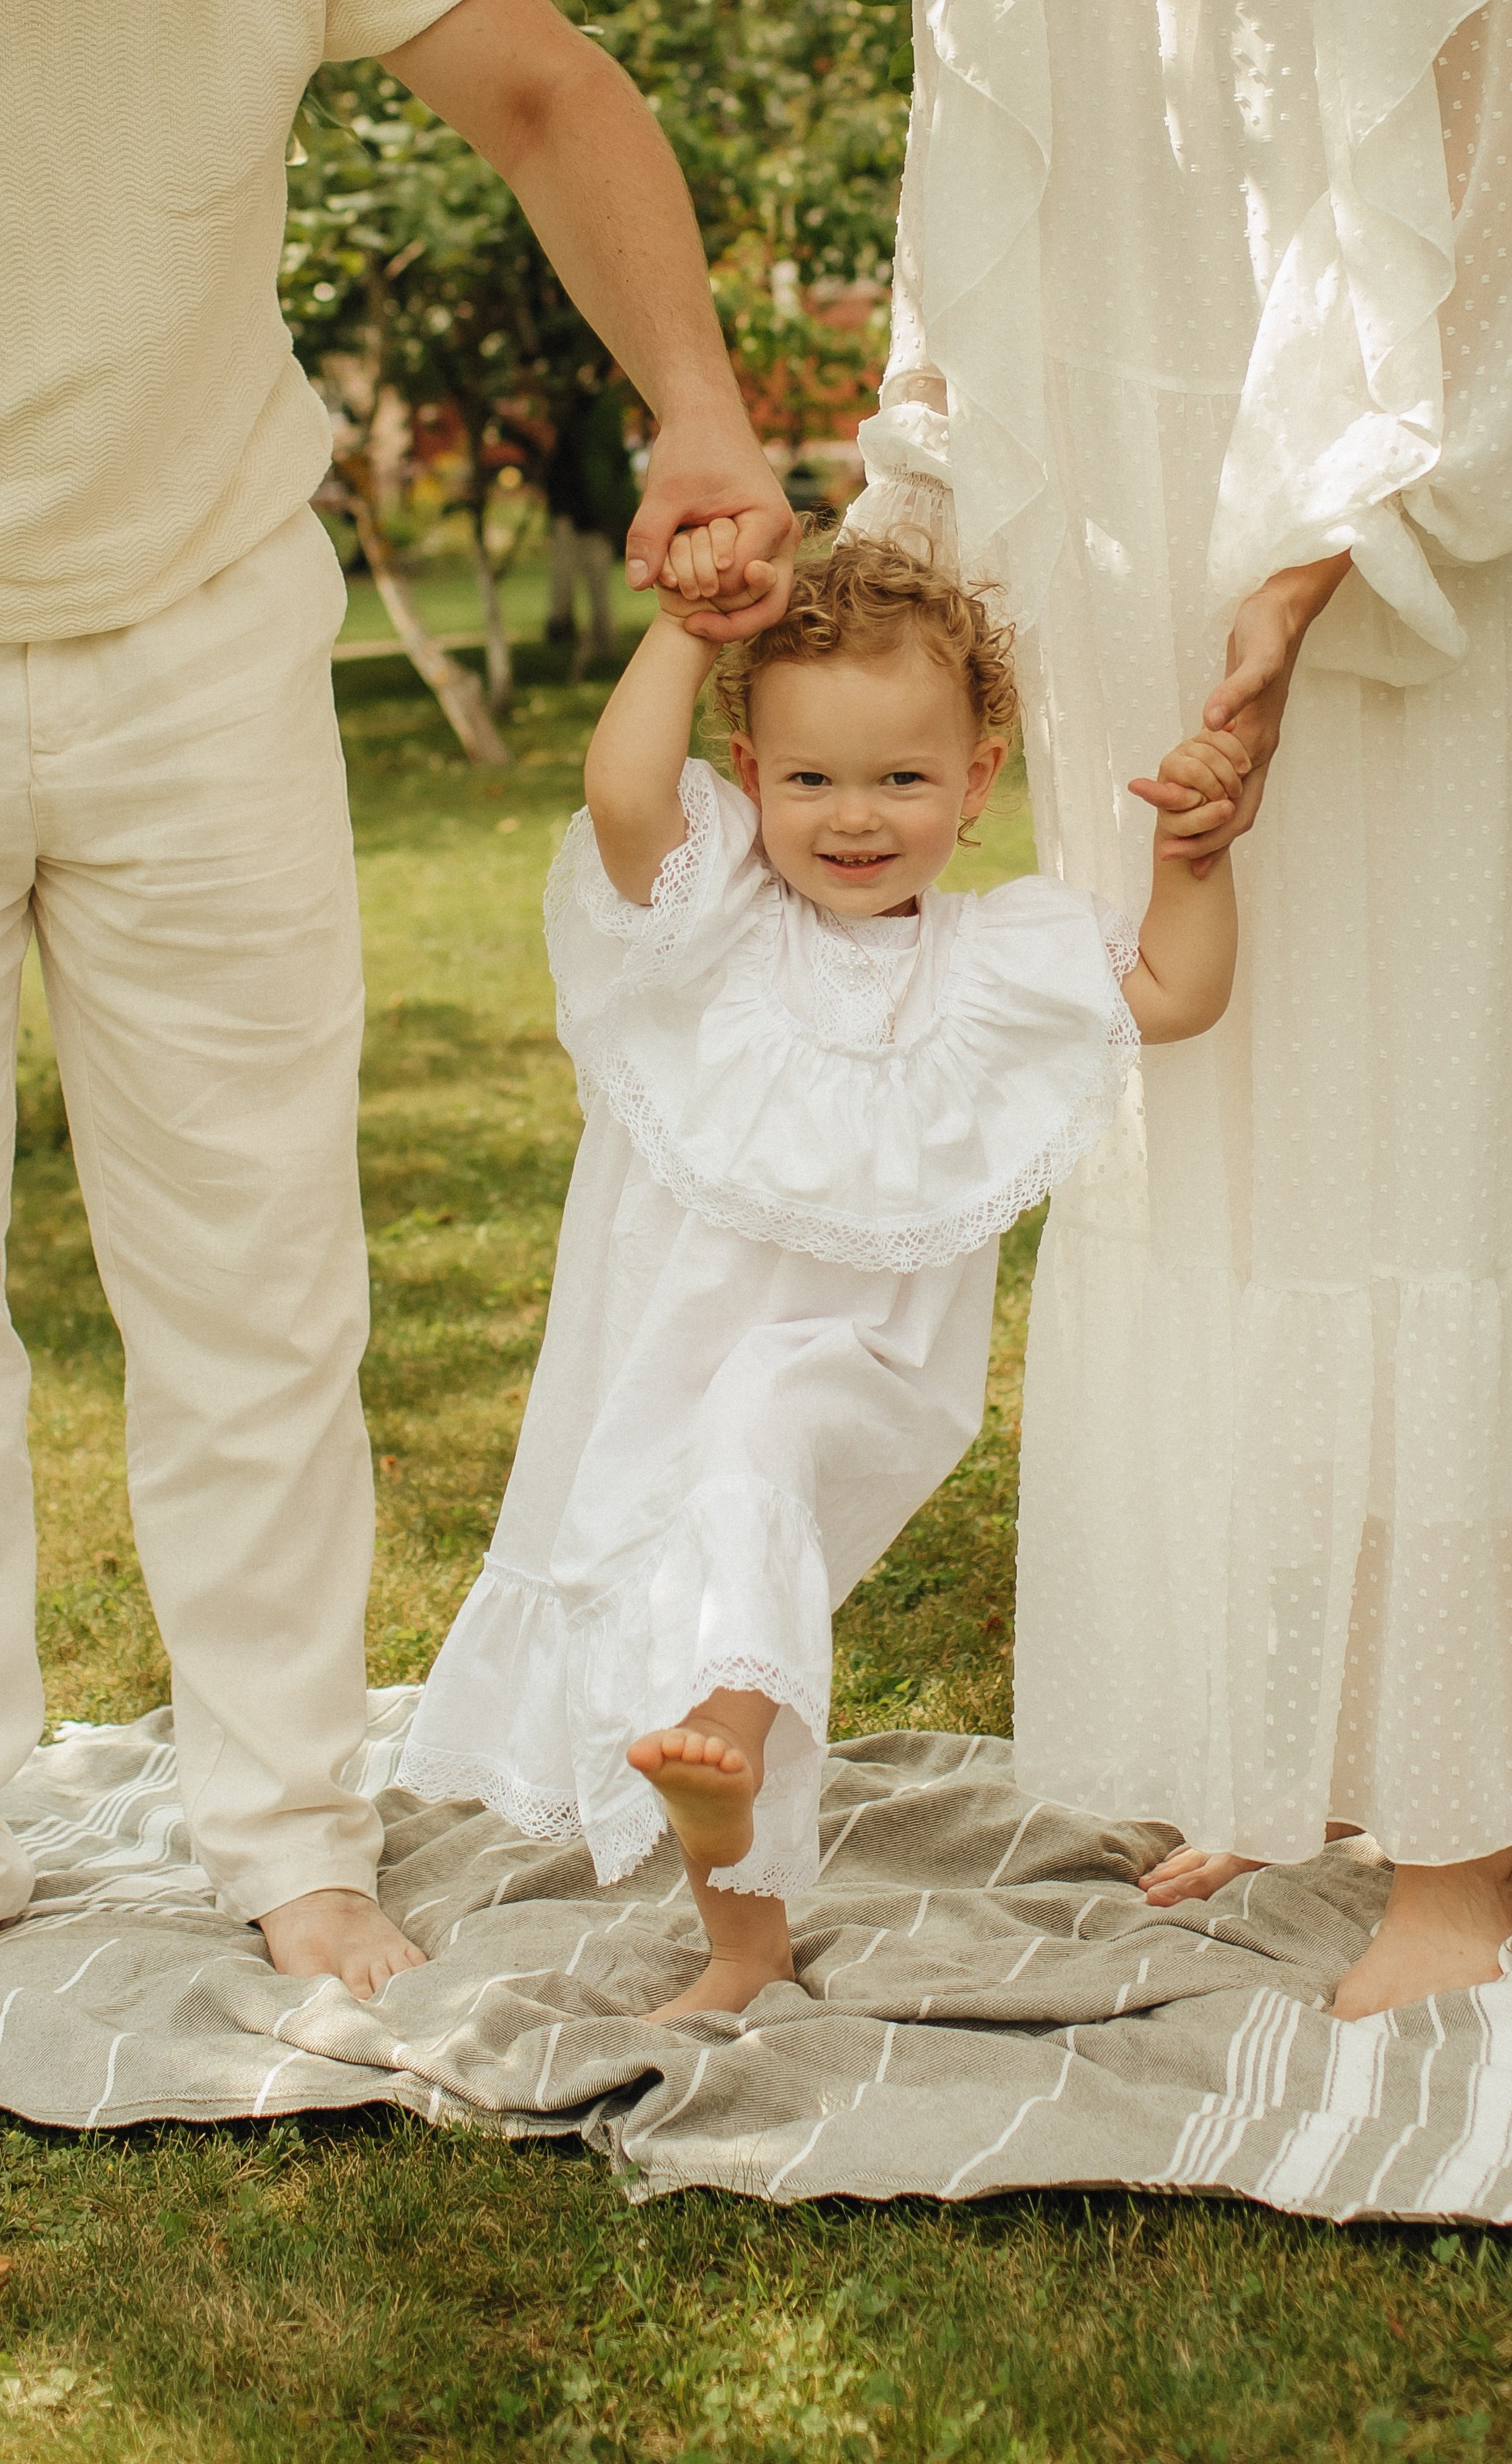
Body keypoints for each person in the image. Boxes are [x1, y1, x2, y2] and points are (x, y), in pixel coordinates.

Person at [849, 1, 1512, 2014]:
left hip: (1408, 579)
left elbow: (1483, 263)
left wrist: (1291, 594)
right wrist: (889, 539)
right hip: (1124, 548)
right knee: (1217, 1146)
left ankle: (1461, 1831)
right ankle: (1293, 1747)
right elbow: (962, 233)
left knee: (1432, 1148)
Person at [0, 0, 795, 1998]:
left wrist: (696, 399)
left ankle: (291, 1832)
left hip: (196, 627)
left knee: (257, 1269)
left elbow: (543, 90)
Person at [397, 532, 1239, 2017]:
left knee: (755, 1462)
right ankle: (743, 1941)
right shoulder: (716, 923)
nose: (854, 816)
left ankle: (723, 1741)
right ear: (749, 772)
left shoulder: (994, 960)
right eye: (810, 779)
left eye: (902, 779)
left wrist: (1193, 861)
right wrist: (686, 626)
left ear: (976, 781)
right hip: (682, 1345)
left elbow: (1176, 992)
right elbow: (624, 798)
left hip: (863, 1364)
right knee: (701, 1567)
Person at [543, 363, 639, 680]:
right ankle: (570, 630)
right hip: (576, 522)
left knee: (592, 585)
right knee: (573, 582)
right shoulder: (576, 444)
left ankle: (599, 642)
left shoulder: (591, 442)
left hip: (588, 523)